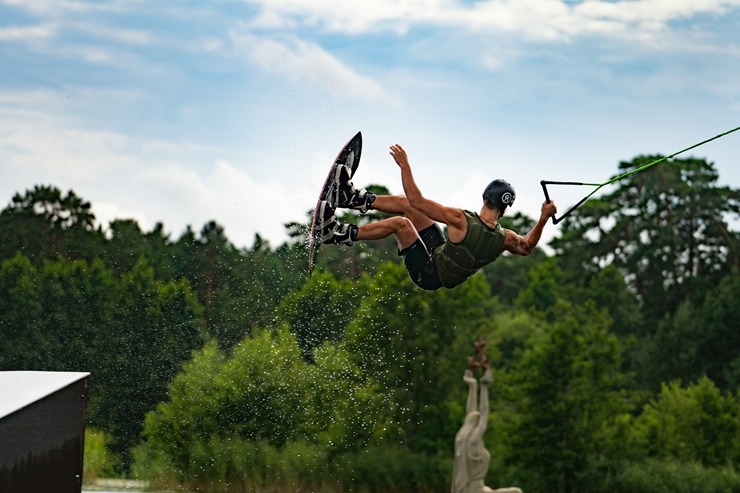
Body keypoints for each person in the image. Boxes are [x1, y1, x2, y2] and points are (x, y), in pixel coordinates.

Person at [317, 143, 557, 290]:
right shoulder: (505, 238)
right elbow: (527, 247)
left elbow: (417, 199)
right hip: (440, 254)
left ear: (485, 197)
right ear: (505, 209)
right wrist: (543, 217)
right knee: (409, 209)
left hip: (429, 273)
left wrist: (404, 165)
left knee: (402, 223)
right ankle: (349, 198)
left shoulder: (460, 219)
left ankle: (335, 233)